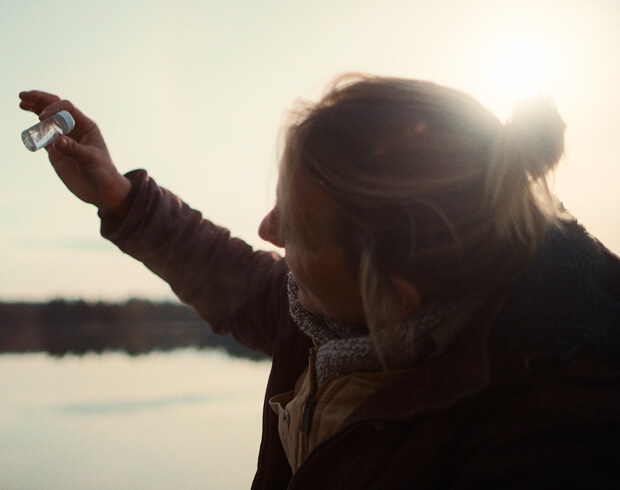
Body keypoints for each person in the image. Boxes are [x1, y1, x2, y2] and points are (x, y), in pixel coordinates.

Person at [19, 74, 619, 489]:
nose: (267, 229)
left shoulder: (549, 440)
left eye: (298, 229)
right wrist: (119, 196)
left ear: (392, 295)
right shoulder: (333, 316)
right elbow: (234, 277)